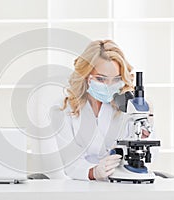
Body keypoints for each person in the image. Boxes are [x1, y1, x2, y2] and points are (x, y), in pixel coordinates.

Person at [51, 40, 151, 181]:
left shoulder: (130, 106)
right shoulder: (63, 108)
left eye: (116, 79)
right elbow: (70, 163)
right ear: (85, 76)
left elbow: (151, 151)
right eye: (101, 79)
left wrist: (146, 135)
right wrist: (94, 172)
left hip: (123, 182)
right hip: (83, 185)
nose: (109, 85)